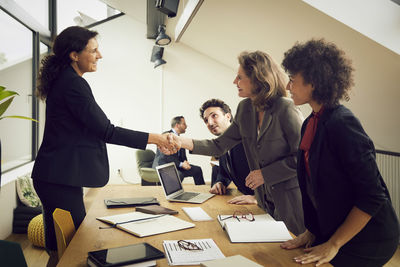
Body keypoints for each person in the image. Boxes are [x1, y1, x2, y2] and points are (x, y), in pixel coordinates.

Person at [32, 26, 178, 267]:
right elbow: (106, 130)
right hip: (58, 179)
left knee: (60, 250)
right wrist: (157, 138)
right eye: (94, 50)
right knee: (74, 249)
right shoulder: (72, 84)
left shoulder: (66, 81)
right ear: (74, 55)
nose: (99, 55)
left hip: (54, 177)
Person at [280, 39, 400, 266]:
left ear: (313, 82)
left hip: (369, 238)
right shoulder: (310, 122)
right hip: (333, 230)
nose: (288, 86)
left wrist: (334, 243)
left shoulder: (343, 124)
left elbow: (373, 196)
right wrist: (312, 231)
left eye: (292, 80)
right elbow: (312, 184)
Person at [170, 51, 305, 235]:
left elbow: (304, 156)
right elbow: (219, 145)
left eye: (240, 77)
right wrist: (180, 141)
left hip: (291, 201)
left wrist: (265, 174)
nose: (235, 82)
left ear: (258, 79)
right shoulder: (245, 108)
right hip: (264, 201)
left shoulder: (286, 108)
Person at [199, 99, 255, 204]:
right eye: (206, 120)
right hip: (243, 199)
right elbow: (224, 172)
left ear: (228, 116)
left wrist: (257, 198)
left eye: (214, 116)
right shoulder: (223, 144)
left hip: (266, 205)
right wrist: (220, 182)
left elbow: (270, 171)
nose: (210, 123)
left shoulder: (246, 139)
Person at [152, 116, 205, 185]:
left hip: (176, 165)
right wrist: (181, 164)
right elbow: (165, 156)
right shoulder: (166, 135)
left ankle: (200, 191)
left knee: (197, 170)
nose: (186, 126)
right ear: (177, 125)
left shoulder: (179, 138)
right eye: (184, 124)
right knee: (179, 175)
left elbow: (182, 156)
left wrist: (185, 162)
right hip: (164, 164)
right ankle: (174, 194)